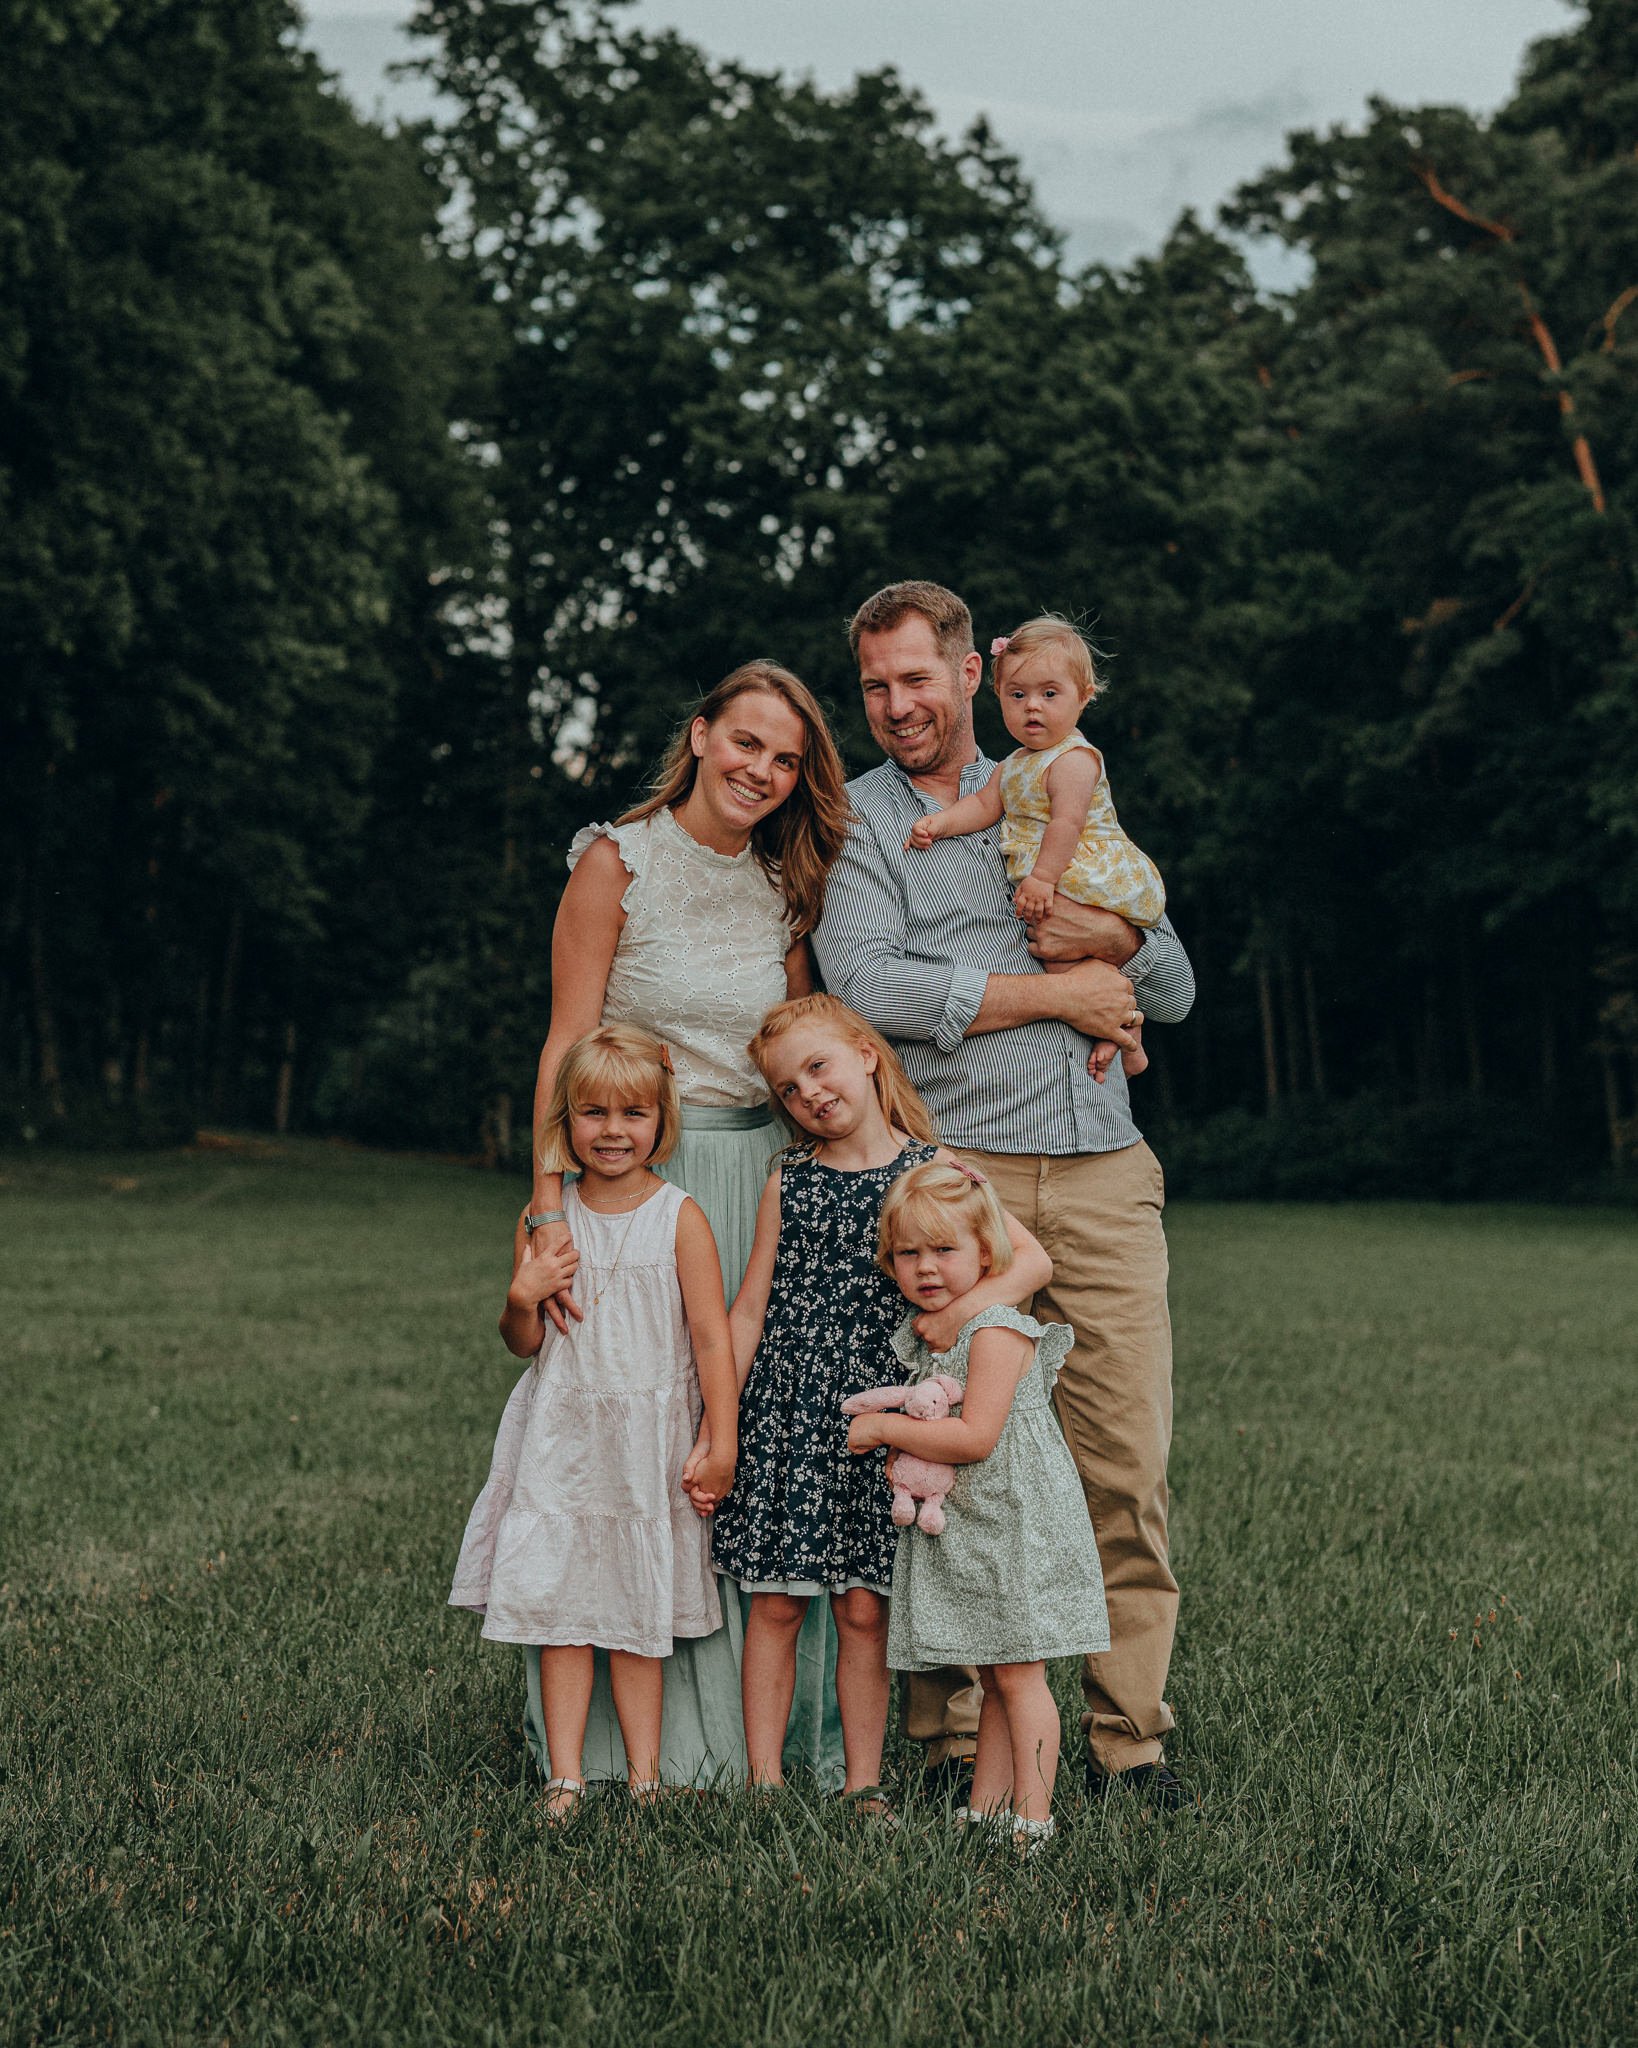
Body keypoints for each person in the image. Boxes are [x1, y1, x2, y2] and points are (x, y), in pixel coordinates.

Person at [812, 580, 1197, 1808]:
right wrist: (1056, 992)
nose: (895, 705)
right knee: (954, 1466)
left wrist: (1112, 944)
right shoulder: (864, 821)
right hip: (957, 1189)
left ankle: (1127, 1739)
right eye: (875, 685)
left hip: (1100, 1171)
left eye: (916, 678)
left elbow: (1175, 975)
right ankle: (955, 1742)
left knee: (1120, 1464)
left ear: (971, 673)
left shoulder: (1065, 764)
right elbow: (867, 980)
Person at [521, 659, 852, 1789]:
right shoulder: (617, 861)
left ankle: (761, 1742)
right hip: (637, 1182)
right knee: (627, 1443)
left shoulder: (780, 884)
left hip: (760, 1176)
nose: (763, 769)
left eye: (787, 757)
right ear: (702, 735)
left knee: (752, 1443)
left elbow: (803, 1033)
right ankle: (615, 1745)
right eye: (747, 741)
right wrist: (547, 1199)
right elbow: (570, 1042)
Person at [703, 994, 1050, 1809]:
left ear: (866, 1053)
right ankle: (764, 1782)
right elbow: (750, 1306)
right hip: (788, 1408)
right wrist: (720, 1419)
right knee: (779, 1602)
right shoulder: (790, 1176)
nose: (808, 1094)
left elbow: (1028, 1262)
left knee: (864, 1610)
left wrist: (947, 1314)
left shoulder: (934, 1168)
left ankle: (864, 1785)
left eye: (817, 1067)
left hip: (889, 1412)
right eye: (788, 1089)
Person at [449, 1025, 739, 1816]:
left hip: (649, 1439)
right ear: (565, 1123)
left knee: (637, 1611)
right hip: (566, 1435)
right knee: (564, 1612)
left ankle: (646, 1778)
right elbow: (524, 1342)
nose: (613, 1131)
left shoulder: (680, 1217)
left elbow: (712, 1336)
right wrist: (521, 1292)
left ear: (661, 1120)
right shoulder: (547, 1222)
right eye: (594, 1113)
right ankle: (566, 1776)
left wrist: (723, 1437)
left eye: (633, 1114)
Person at [847, 1160, 1108, 1853]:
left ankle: (1034, 1818)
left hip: (1015, 1525)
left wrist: (881, 1429)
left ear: (987, 1254)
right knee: (997, 1670)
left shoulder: (996, 1328)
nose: (925, 1268)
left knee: (1021, 1678)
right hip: (981, 1524)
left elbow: (974, 1436)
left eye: (944, 1249)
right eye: (908, 1253)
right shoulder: (941, 1330)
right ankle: (986, 1812)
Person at [905, 613, 1165, 1078]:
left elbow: (1066, 823)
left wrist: (1043, 877)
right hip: (1054, 884)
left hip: (1083, 875)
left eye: (1050, 694)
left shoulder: (1073, 760)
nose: (1032, 708)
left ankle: (1129, 1035)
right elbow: (985, 804)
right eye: (1017, 695)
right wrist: (941, 824)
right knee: (1062, 963)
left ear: (1083, 698)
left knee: (1072, 953)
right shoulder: (1013, 763)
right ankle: (1115, 1035)